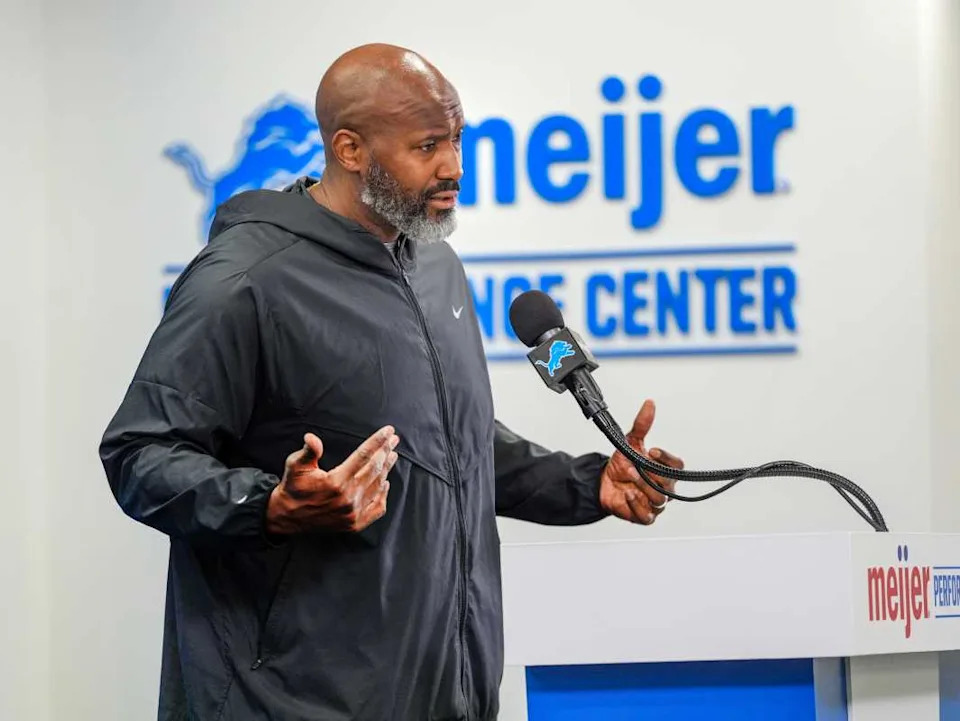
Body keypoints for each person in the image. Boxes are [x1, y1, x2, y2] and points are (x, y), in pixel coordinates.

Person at [100, 43, 684, 721]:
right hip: (287, 703)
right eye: (428, 145)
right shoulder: (243, 280)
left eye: (459, 139)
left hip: (444, 697)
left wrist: (587, 484)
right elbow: (139, 453)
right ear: (350, 149)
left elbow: (446, 443)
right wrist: (267, 505)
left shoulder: (437, 269)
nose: (454, 167)